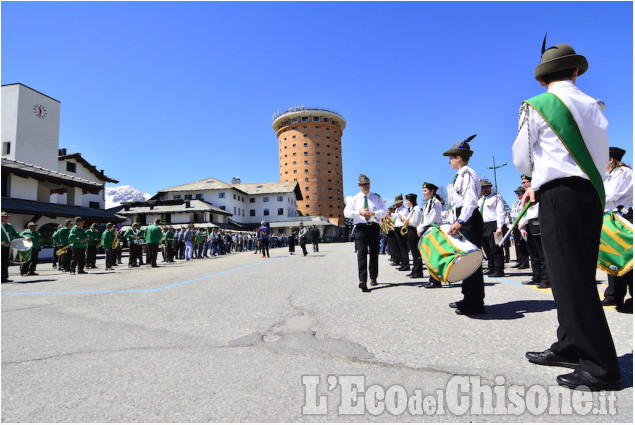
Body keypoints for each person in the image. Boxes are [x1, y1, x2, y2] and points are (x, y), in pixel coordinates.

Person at [512, 39, 622, 391]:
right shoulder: (594, 104)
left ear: (542, 80)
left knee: (571, 281)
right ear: (575, 71)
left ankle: (601, 366)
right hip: (590, 193)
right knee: (571, 277)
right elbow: (596, 153)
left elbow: (522, 160)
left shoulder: (538, 106)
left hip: (559, 196)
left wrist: (538, 176)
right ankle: (570, 345)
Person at [443, 135, 485, 315]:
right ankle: (467, 298)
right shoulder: (460, 175)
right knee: (464, 259)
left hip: (468, 218)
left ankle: (476, 303)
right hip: (463, 217)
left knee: (472, 260)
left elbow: (470, 201)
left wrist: (460, 221)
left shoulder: (467, 174)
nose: (450, 161)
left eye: (451, 158)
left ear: (458, 158)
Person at [600, 146, 633, 313]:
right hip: (612, 220)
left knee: (628, 260)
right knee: (614, 258)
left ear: (611, 160)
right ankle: (614, 295)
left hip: (623, 219)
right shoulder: (612, 175)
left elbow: (610, 194)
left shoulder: (623, 172)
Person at [343, 174, 386, 292]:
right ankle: (363, 280)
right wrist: (359, 212)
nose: (366, 186)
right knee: (361, 253)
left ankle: (373, 277)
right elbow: (346, 212)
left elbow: (384, 211)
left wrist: (374, 213)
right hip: (360, 228)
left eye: (367, 184)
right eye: (363, 184)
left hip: (373, 227)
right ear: (359, 186)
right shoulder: (354, 198)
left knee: (374, 253)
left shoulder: (376, 197)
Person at [517, 175, 550, 288]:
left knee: (542, 254)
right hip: (529, 226)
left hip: (538, 223)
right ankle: (536, 277)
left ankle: (546, 279)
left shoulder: (538, 193)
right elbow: (523, 213)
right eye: (522, 183)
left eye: (525, 182)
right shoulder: (525, 197)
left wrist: (523, 222)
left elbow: (535, 211)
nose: (523, 185)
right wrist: (522, 227)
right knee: (533, 254)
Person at [417, 182, 444, 288]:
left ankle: (436, 281)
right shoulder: (429, 202)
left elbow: (430, 219)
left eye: (425, 191)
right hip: (427, 230)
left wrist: (421, 227)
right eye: (423, 191)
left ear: (432, 191)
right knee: (429, 256)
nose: (423, 193)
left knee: (433, 256)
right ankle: (432, 278)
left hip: (432, 229)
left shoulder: (434, 202)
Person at [478, 179, 506, 278]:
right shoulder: (480, 201)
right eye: (482, 188)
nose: (485, 189)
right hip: (483, 226)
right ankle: (491, 268)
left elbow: (500, 212)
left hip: (494, 225)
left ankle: (499, 269)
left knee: (496, 248)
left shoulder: (496, 198)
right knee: (487, 249)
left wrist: (500, 227)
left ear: (490, 188)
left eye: (487, 187)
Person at [403, 193, 423, 278]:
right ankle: (415, 269)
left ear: (411, 201)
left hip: (414, 230)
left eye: (407, 200)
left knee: (416, 252)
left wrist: (405, 219)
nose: (406, 202)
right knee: (413, 252)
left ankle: (418, 271)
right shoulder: (412, 209)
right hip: (410, 230)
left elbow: (415, 222)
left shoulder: (417, 209)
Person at [509, 186, 530, 269]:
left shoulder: (524, 201)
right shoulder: (515, 203)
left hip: (522, 224)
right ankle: (519, 260)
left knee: (523, 244)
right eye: (516, 193)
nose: (517, 194)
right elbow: (512, 214)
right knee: (517, 244)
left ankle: (525, 262)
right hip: (515, 224)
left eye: (519, 193)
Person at [2, 211, 22, 283]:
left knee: (5, 263)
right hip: (1, 246)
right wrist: (2, 243)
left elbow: (15, 234)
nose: (7, 219)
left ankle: (4, 277)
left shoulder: (9, 226)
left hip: (7, 247)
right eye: (5, 217)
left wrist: (24, 237)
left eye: (8, 217)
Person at [392, 195, 409, 271]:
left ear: (401, 202)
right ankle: (402, 263)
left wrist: (393, 215)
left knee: (403, 247)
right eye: (396, 203)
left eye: (398, 203)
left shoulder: (405, 209)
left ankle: (406, 265)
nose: (396, 205)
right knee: (398, 247)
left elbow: (405, 218)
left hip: (401, 228)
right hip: (396, 228)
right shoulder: (397, 210)